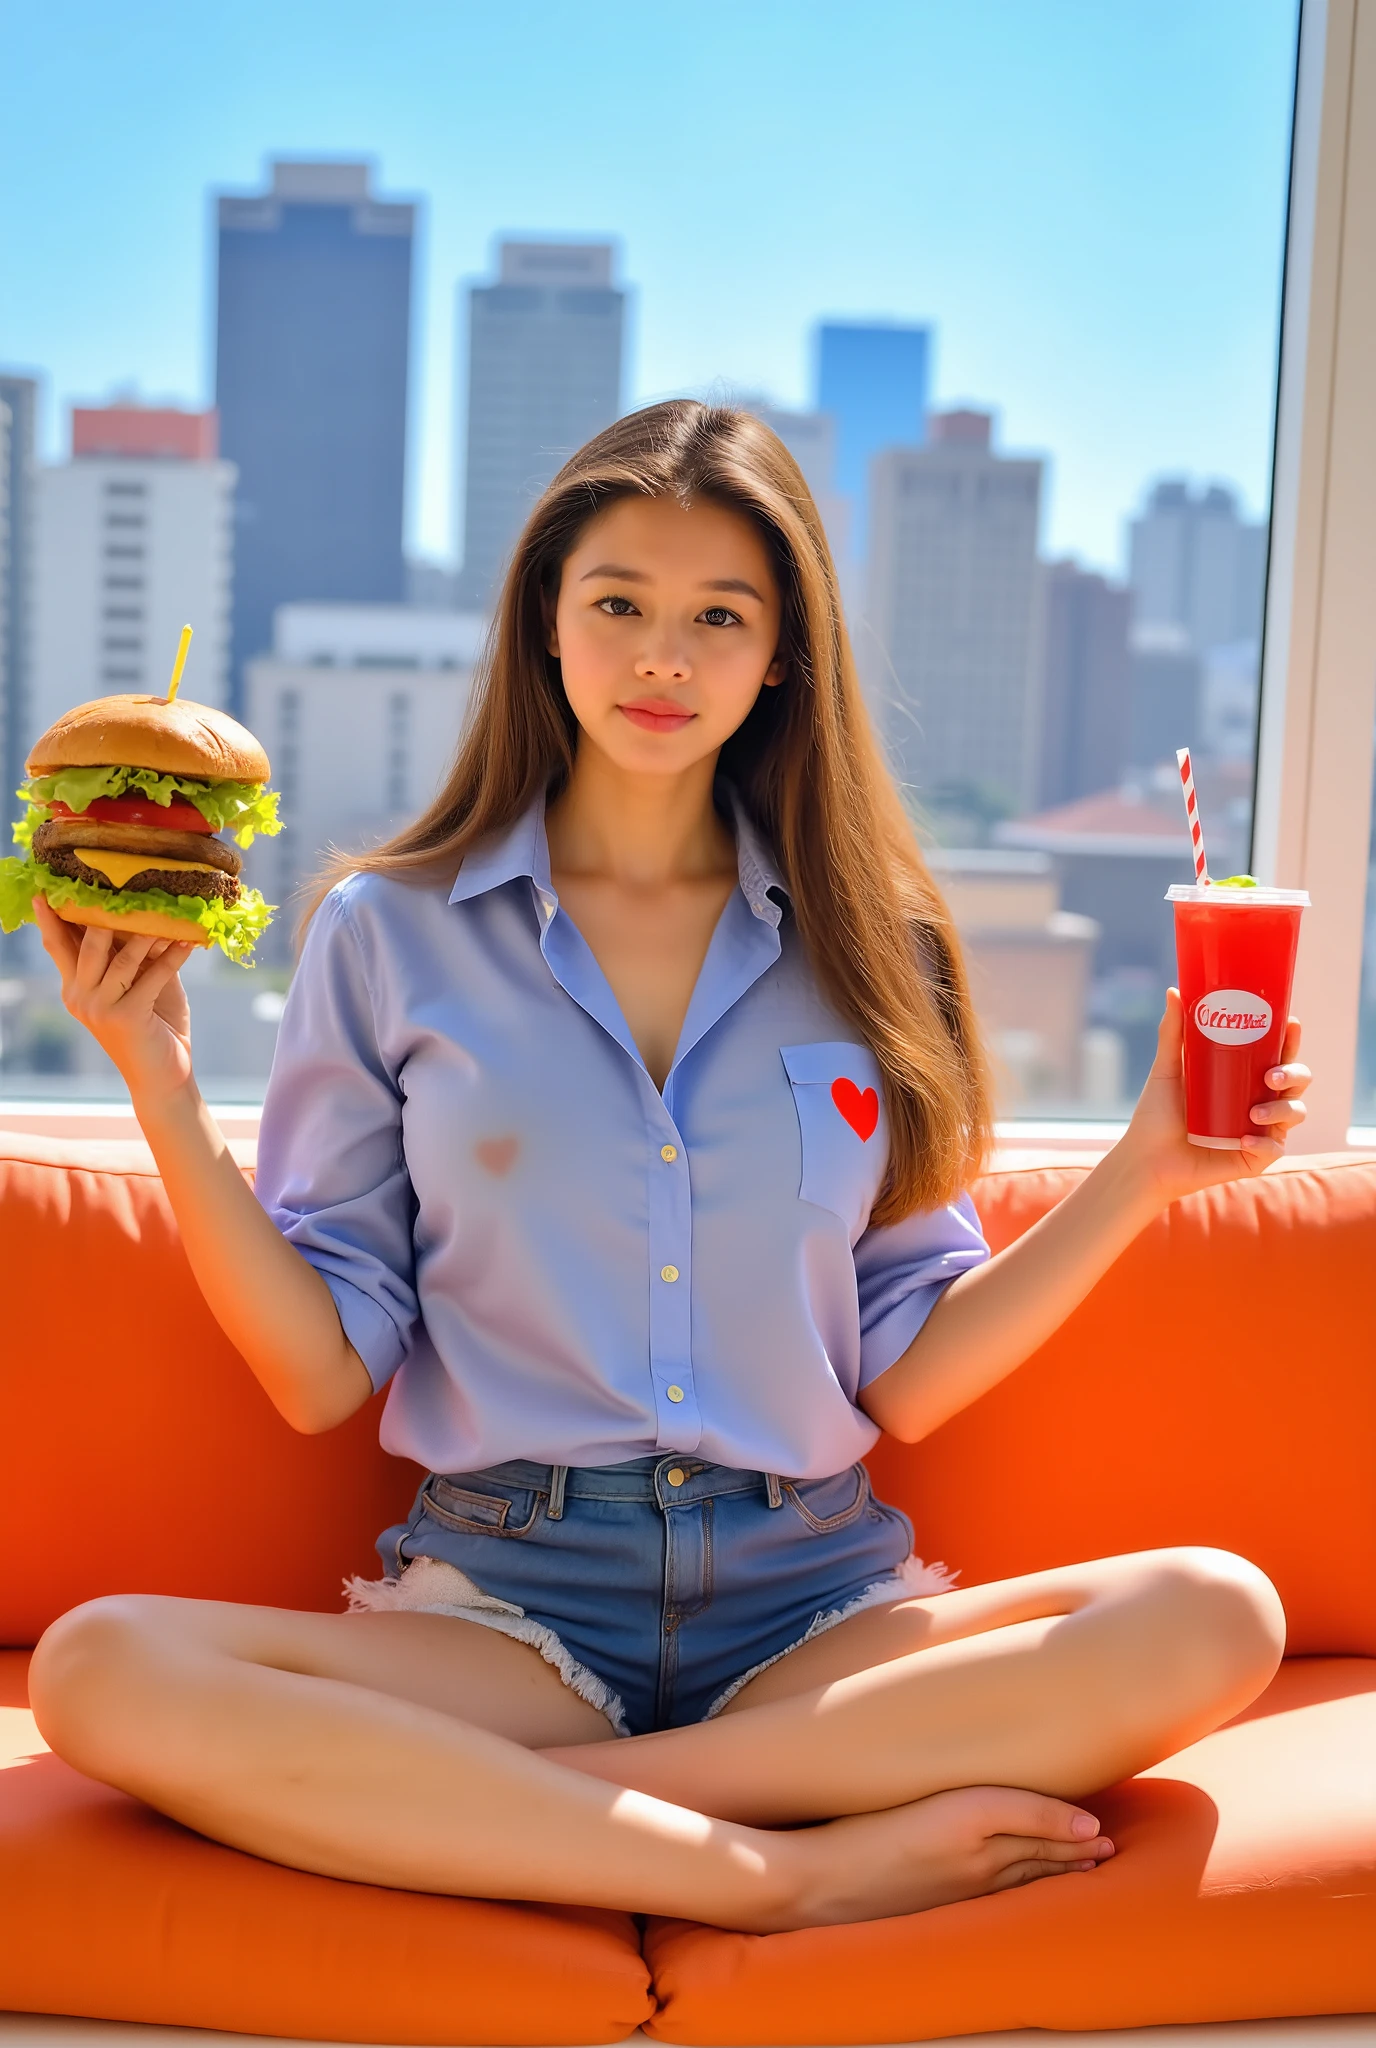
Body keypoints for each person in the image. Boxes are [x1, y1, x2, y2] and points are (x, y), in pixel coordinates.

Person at [28, 402, 1303, 1935]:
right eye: (619, 605)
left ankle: (528, 1812)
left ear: (781, 658)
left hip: (813, 1602)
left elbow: (908, 1369)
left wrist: (1151, 1166)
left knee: (1218, 1613)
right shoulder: (388, 930)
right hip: (507, 1607)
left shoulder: (873, 943)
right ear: (546, 624)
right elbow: (317, 1377)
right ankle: (785, 1863)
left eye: (719, 618)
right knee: (98, 1664)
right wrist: (162, 1090)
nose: (662, 658)